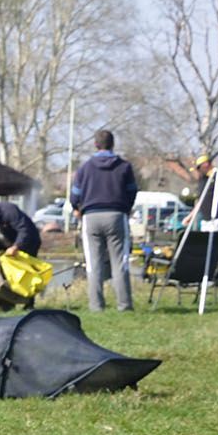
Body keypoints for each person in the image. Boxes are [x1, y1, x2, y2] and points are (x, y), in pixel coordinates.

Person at [69, 129, 138, 312]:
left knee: (94, 263)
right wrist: (126, 207)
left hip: (90, 217)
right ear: (113, 144)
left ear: (95, 144)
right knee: (119, 262)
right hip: (116, 216)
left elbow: (75, 194)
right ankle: (124, 305)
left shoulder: (85, 168)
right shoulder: (124, 167)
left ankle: (96, 306)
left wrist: (77, 208)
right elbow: (132, 191)